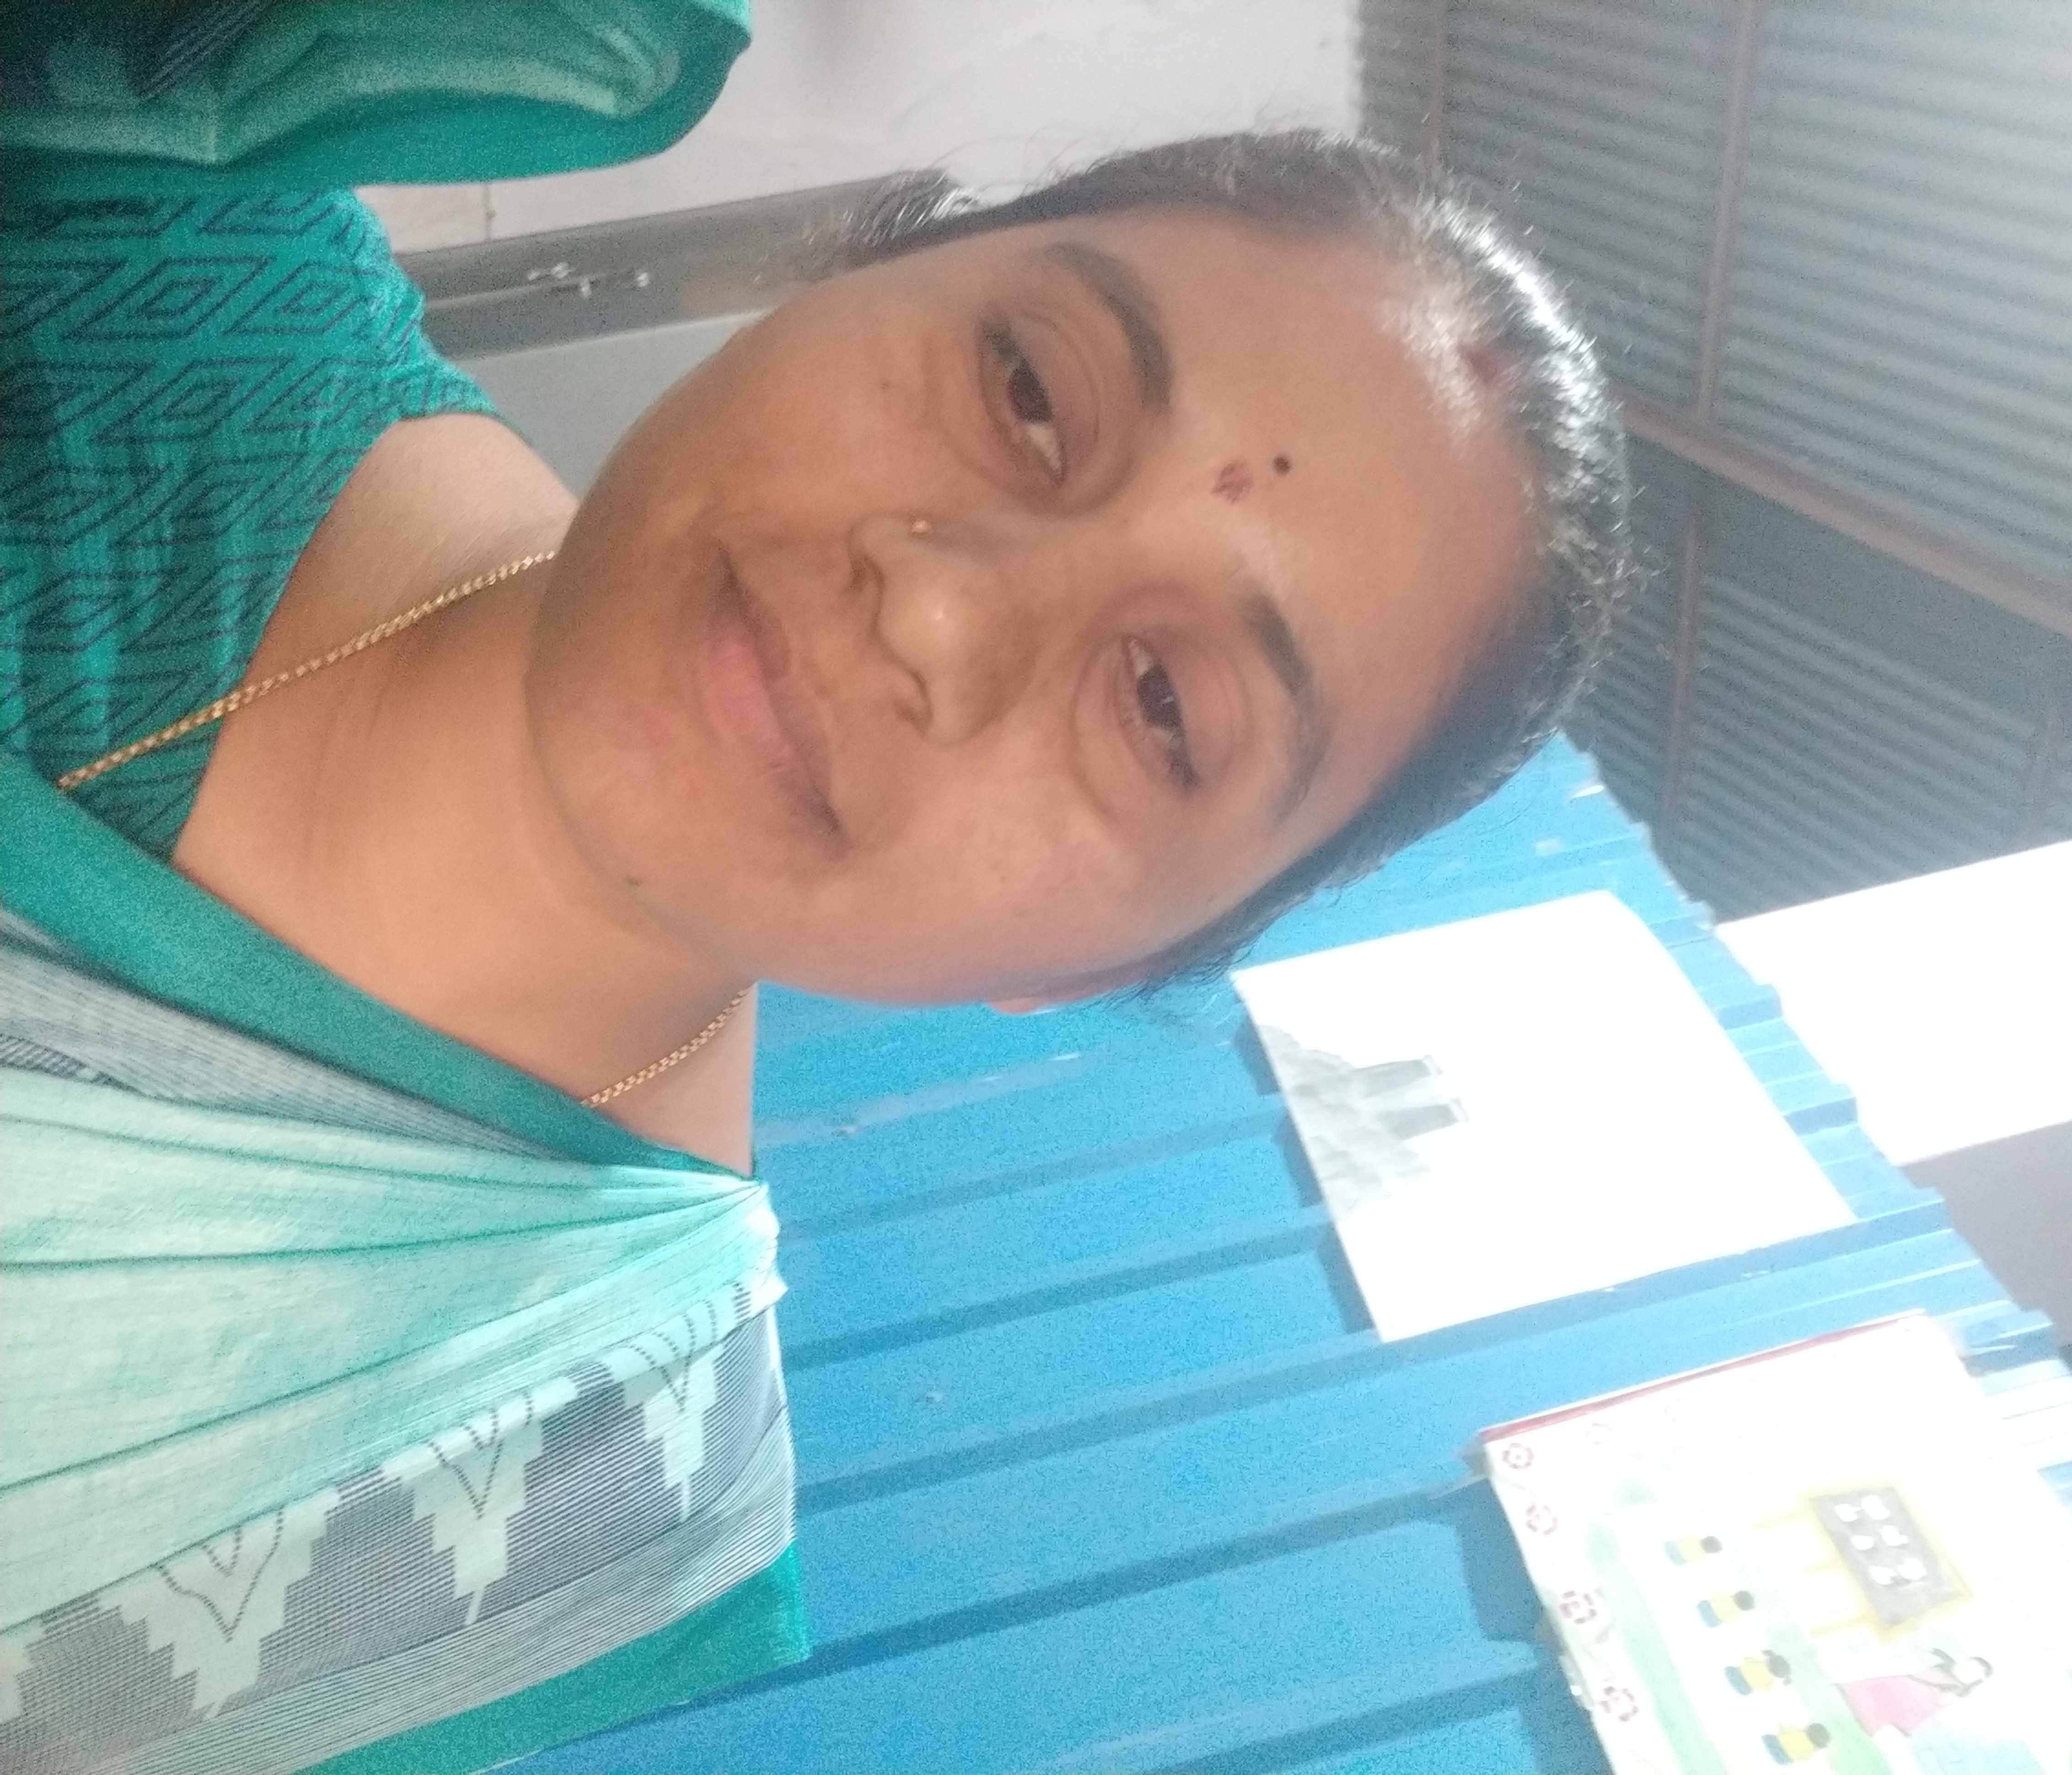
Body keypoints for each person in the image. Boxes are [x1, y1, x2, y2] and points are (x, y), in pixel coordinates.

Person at [0, 13, 1632, 1772]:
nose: (940, 608)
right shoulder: (111, 205)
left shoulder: (565, 1478)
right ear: (856, 267)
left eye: (1163, 706)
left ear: (1113, 966)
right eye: (1030, 394)